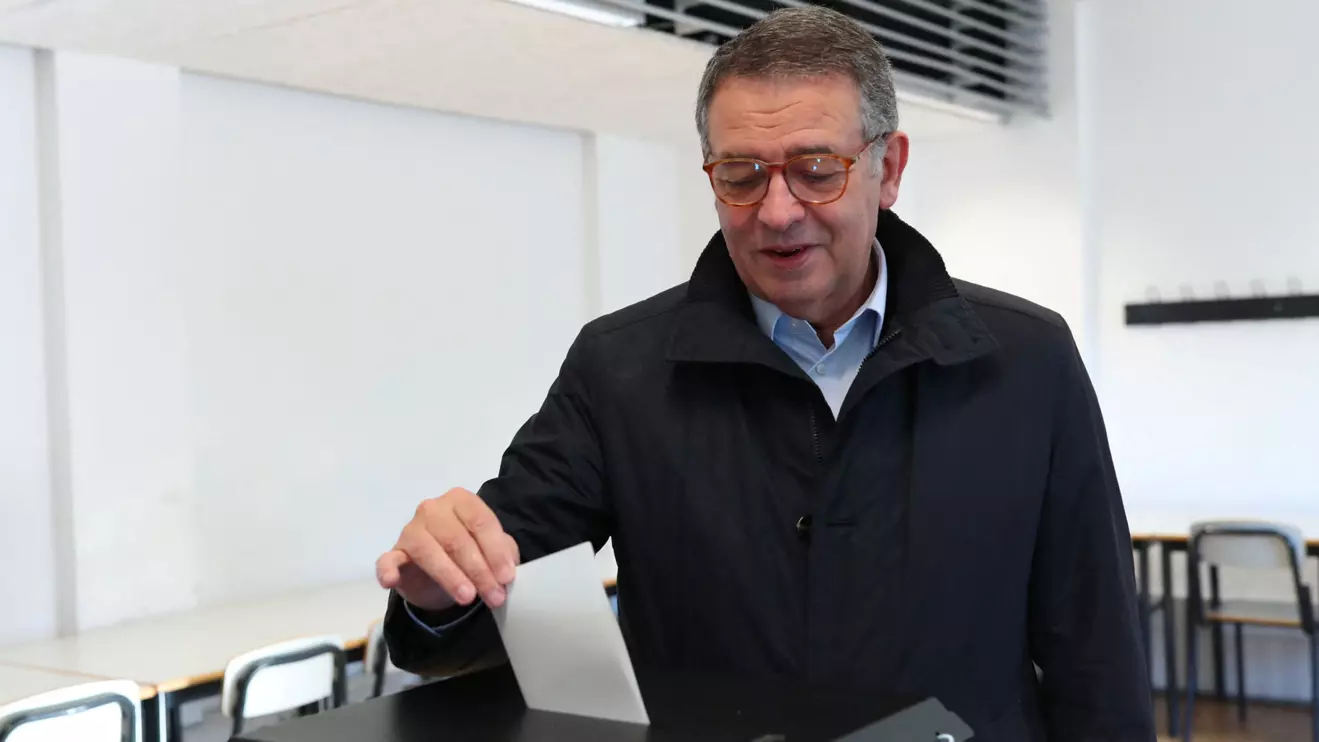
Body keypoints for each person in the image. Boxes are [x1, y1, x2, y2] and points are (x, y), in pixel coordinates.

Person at [375, 6, 1154, 740]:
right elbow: (497, 584)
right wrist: (442, 584)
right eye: (742, 175)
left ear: (888, 170)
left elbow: (1095, 649)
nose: (777, 211)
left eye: (817, 169)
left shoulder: (1025, 360)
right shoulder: (618, 367)